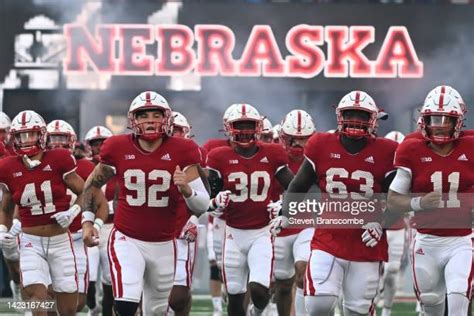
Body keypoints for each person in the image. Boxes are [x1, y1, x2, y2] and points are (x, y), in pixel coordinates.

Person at [82, 91, 210, 316]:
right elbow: (91, 184)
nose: (150, 120)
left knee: (157, 310)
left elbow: (201, 204)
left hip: (165, 243)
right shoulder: (117, 146)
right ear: (133, 120)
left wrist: (187, 190)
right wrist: (87, 221)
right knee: (125, 303)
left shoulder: (183, 149)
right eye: (143, 115)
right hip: (126, 238)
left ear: (166, 119)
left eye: (155, 115)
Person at [281, 91, 397, 315]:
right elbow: (298, 186)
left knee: (358, 311)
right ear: (339, 116)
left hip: (366, 244)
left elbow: (399, 198)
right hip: (329, 238)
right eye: (350, 114)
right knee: (318, 304)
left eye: (361, 115)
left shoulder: (387, 150)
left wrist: (382, 222)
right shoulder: (321, 144)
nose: (355, 120)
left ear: (373, 119)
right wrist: (286, 214)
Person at [387, 92, 473, 316]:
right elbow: (393, 200)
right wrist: (420, 203)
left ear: (459, 121)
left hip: (462, 239)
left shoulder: (471, 146)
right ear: (424, 120)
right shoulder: (411, 148)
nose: (440, 126)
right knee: (431, 305)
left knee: (458, 299)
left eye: (447, 120)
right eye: (434, 119)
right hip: (427, 239)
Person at [206, 103, 294, 316]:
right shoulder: (218, 156)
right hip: (233, 234)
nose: (244, 131)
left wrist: (284, 205)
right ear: (229, 128)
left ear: (258, 127)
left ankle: (257, 312)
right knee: (235, 297)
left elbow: (294, 186)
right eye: (240, 125)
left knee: (259, 290)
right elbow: (208, 198)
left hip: (261, 233)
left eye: (249, 125)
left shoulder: (273, 153)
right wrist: (216, 203)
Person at [0, 110, 85, 315]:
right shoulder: (7, 166)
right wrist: (3, 228)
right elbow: (6, 206)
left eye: (31, 134)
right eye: (21, 136)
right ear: (14, 139)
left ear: (42, 135)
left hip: (62, 242)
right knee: (37, 298)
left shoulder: (59, 158)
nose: (26, 140)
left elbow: (85, 192)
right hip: (30, 241)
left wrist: (73, 211)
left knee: (68, 309)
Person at [270, 109, 315, 316]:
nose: (299, 145)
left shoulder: (317, 156)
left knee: (303, 272)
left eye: (304, 140)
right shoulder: (271, 154)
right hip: (278, 226)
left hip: (306, 224)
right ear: (282, 137)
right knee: (282, 285)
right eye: (293, 140)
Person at [83, 125, 115, 316]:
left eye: (103, 143)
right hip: (89, 226)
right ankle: (93, 307)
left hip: (112, 227)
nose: (99, 147)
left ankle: (106, 312)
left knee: (110, 278)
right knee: (88, 277)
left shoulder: (118, 167)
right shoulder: (84, 166)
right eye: (95, 144)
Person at [379, 130, 407, 316]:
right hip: (379, 227)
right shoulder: (376, 167)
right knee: (375, 271)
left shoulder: (407, 171)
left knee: (392, 271)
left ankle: (387, 310)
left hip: (397, 227)